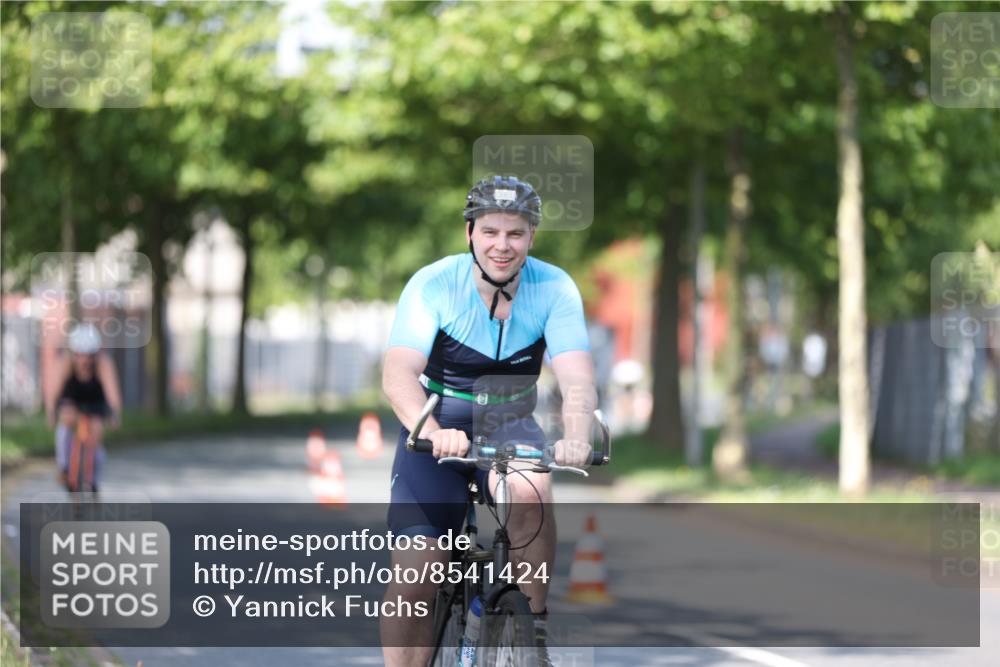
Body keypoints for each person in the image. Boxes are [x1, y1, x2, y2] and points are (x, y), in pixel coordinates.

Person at [380, 175, 597, 666]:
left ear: (531, 238)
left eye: (516, 233)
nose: (503, 245)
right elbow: (398, 375)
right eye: (491, 232)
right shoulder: (434, 283)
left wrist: (578, 435)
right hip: (436, 425)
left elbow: (577, 378)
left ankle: (530, 630)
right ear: (470, 233)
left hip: (509, 424)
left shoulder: (555, 287)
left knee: (532, 492)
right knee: (418, 572)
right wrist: (432, 433)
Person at [45, 323, 123, 491]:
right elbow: (54, 389)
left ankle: (94, 480)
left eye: (89, 356)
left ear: (95, 354)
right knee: (66, 419)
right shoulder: (66, 363)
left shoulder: (103, 364)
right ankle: (64, 466)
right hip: (72, 399)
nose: (85, 361)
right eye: (80, 355)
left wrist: (115, 413)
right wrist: (51, 411)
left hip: (96, 401)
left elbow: (112, 392)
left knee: (96, 435)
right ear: (74, 353)